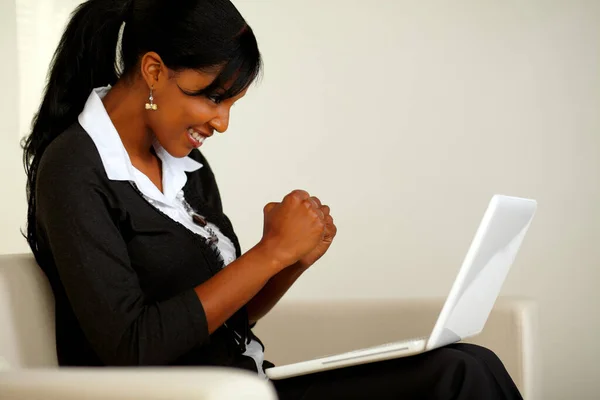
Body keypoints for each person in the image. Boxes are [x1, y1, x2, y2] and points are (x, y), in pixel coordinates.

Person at [21, 0, 523, 399]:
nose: (221, 122)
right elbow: (133, 348)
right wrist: (270, 254)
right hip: (186, 396)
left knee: (469, 364)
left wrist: (289, 262)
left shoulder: (182, 163)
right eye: (211, 97)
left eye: (230, 103)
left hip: (249, 384)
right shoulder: (73, 169)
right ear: (154, 71)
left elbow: (224, 320)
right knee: (459, 379)